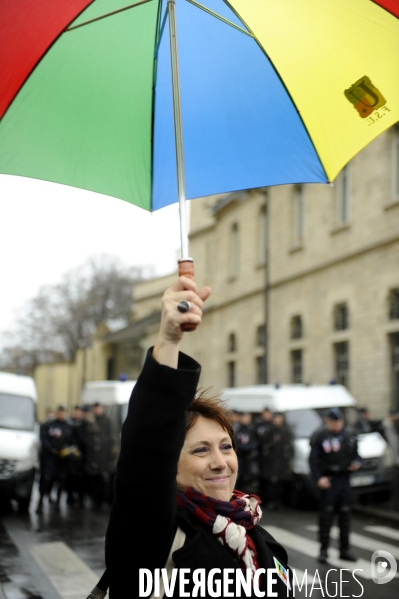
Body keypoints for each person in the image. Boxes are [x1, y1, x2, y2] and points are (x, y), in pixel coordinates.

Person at [100, 276, 293, 598]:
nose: (220, 463)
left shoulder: (259, 538)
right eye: (201, 450)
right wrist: (168, 340)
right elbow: (147, 449)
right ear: (169, 466)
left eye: (226, 447)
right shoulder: (152, 532)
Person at [309, 407, 362, 564]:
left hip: (344, 479)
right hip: (329, 480)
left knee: (345, 515)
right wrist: (318, 478)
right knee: (326, 516)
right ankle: (324, 550)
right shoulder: (320, 436)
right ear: (328, 421)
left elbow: (357, 455)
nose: (337, 425)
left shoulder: (350, 435)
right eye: (334, 422)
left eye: (339, 422)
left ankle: (344, 549)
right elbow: (313, 460)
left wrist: (358, 463)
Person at [36, 405, 75, 513]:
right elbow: (44, 439)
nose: (61, 414)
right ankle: (41, 501)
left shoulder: (69, 426)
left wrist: (65, 450)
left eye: (63, 412)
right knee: (46, 479)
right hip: (49, 458)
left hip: (62, 459)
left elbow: (72, 441)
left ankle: (57, 502)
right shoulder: (49, 425)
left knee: (61, 480)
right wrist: (52, 449)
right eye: (59, 412)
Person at [82, 402, 115, 510]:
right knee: (94, 480)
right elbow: (87, 438)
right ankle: (96, 502)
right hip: (93, 457)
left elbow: (110, 437)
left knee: (104, 480)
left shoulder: (107, 421)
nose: (97, 410)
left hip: (104, 457)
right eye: (95, 408)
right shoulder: (90, 421)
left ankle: (105, 500)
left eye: (99, 408)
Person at [258, 412, 294, 511]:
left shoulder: (286, 431)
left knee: (280, 483)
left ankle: (279, 502)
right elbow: (263, 447)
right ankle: (270, 501)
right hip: (271, 462)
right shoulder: (269, 431)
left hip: (282, 461)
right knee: (271, 483)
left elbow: (290, 447)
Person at [235, 411, 259, 494]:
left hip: (248, 458)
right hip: (239, 457)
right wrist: (245, 448)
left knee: (247, 477)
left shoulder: (252, 429)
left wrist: (250, 448)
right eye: (245, 418)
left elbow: (256, 441)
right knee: (238, 477)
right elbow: (235, 443)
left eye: (248, 418)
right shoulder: (237, 429)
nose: (247, 420)